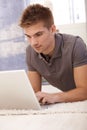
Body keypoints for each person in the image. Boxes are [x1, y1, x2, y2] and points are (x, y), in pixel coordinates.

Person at [19, 4, 87, 105]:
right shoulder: (31, 52)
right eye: (29, 36)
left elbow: (84, 91)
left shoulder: (75, 45)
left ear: (52, 29)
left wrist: (55, 97)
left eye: (38, 34)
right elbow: (34, 93)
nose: (33, 43)